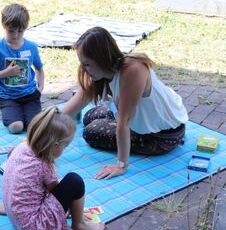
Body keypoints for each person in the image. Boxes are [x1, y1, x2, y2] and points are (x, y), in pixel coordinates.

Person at [62, 26, 188, 180]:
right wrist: (40, 131)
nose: (83, 69)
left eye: (87, 64)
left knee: (91, 131)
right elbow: (70, 109)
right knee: (90, 115)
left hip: (163, 136)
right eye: (82, 63)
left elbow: (124, 121)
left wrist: (121, 165)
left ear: (102, 58)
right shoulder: (100, 72)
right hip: (143, 121)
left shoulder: (133, 70)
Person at [0, 106, 105, 230]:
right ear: (55, 145)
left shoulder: (18, 149)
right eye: (65, 146)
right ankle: (79, 225)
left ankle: (12, 210)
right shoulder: (44, 165)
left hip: (16, 220)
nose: (64, 150)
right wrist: (72, 211)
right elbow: (58, 195)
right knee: (74, 181)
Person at [0, 3, 45, 134]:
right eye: (11, 31)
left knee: (35, 128)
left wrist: (40, 88)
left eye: (20, 31)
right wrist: (7, 72)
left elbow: (39, 68)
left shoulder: (31, 47)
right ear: (4, 26)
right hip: (7, 96)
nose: (16, 35)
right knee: (16, 127)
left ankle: (25, 114)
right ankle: (13, 114)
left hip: (29, 94)